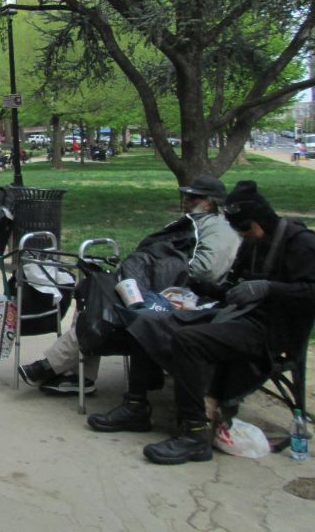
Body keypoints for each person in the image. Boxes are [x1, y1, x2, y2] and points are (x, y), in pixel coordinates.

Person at [86, 180, 315, 465]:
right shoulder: (253, 242)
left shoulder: (301, 244)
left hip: (269, 329)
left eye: (246, 229)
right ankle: (136, 406)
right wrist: (199, 287)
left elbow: (309, 292)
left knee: (189, 340)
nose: (244, 236)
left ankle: (194, 433)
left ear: (259, 221)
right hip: (235, 313)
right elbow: (234, 286)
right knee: (147, 319)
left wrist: (269, 288)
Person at [19, 174, 239, 394]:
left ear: (208, 202)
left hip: (187, 298)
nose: (186, 200)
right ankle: (73, 373)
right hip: (173, 292)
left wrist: (160, 272)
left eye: (192, 197)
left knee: (102, 305)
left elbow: (205, 270)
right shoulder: (203, 224)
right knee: (95, 293)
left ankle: (59, 369)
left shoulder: (215, 228)